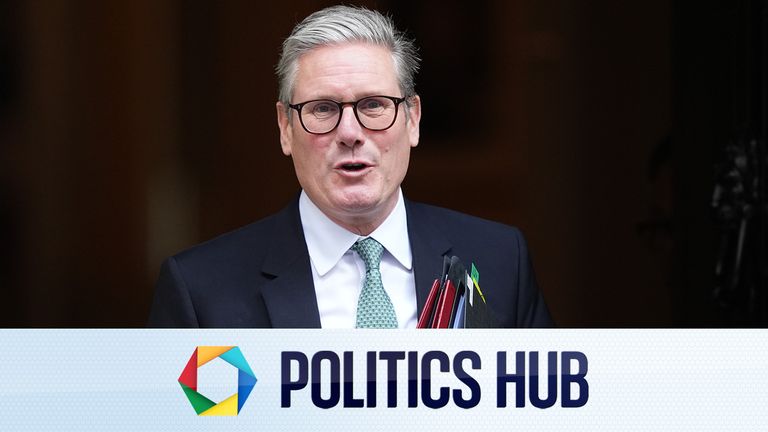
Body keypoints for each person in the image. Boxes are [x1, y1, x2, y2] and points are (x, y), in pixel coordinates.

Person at [148, 5, 552, 328]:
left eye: (374, 105)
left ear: (412, 119)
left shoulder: (500, 260)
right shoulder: (202, 291)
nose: (350, 132)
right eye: (322, 109)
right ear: (286, 128)